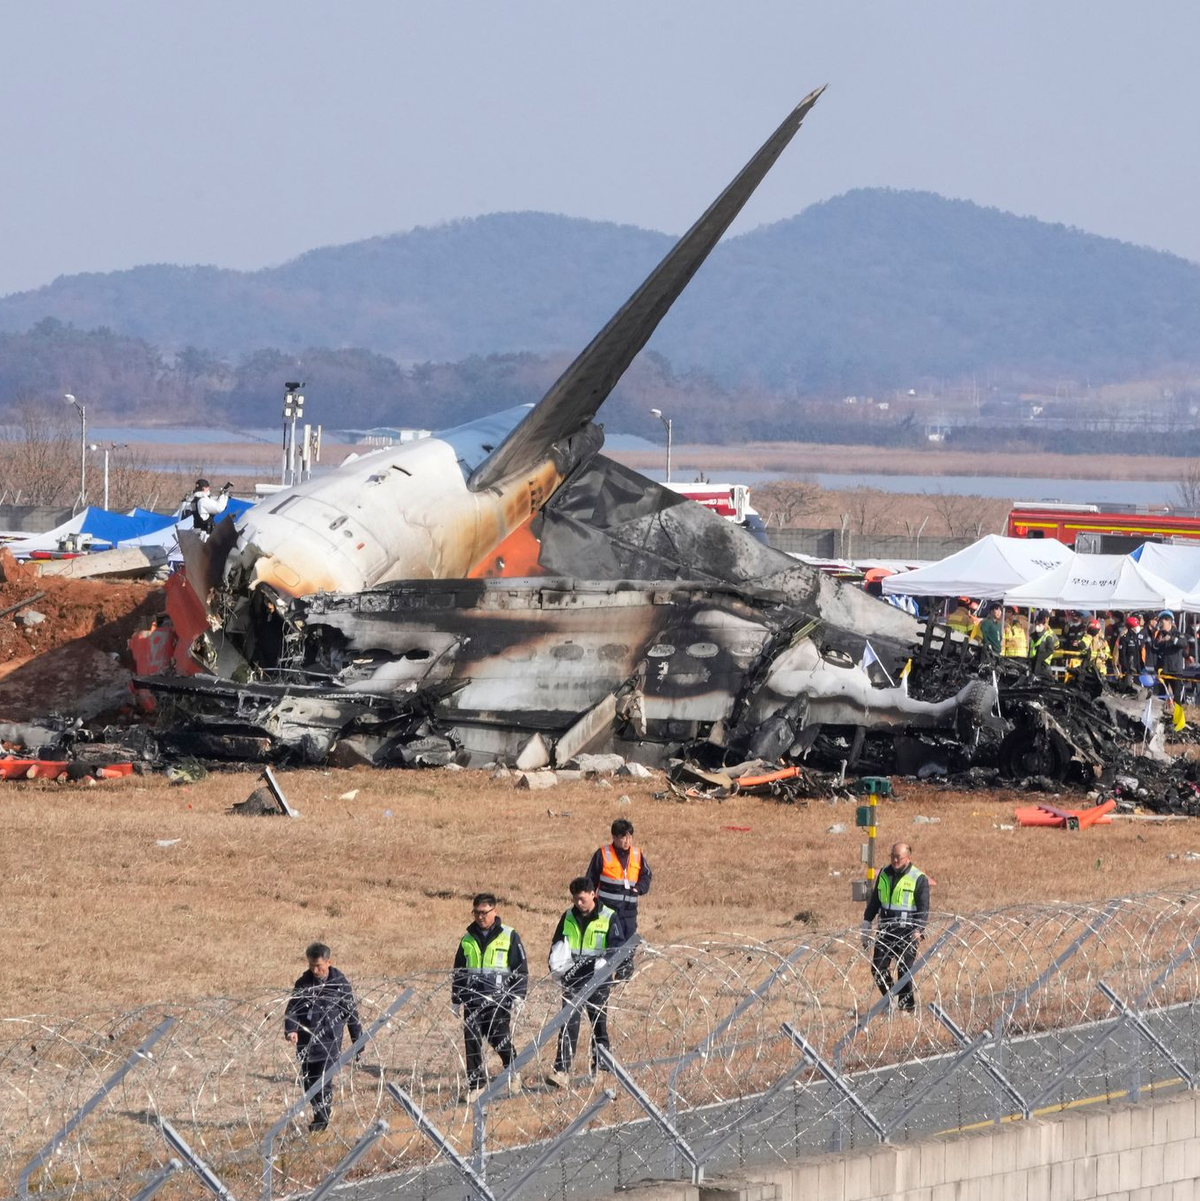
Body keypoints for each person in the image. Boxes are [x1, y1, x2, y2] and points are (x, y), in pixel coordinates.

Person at [546, 878, 625, 1087]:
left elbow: (617, 945)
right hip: (573, 977)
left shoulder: (608, 916)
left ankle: (600, 1067)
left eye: (581, 899)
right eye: (574, 899)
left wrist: (606, 962)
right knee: (568, 1022)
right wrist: (554, 961)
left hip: (599, 977)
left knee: (598, 1022)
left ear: (592, 894)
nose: (578, 903)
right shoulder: (568, 916)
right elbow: (558, 942)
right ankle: (562, 1070)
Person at [451, 893, 528, 1101]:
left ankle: (513, 1070)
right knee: (472, 1041)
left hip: (498, 1000)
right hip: (473, 999)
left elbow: (519, 968)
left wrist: (519, 994)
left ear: (495, 911)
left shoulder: (509, 935)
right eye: (476, 912)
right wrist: (456, 997)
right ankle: (476, 1085)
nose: (480, 917)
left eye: (484, 912)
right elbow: (459, 969)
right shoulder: (468, 938)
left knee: (499, 1038)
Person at [284, 942, 363, 1132]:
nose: (315, 969)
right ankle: (320, 1111)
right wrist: (291, 1030)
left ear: (329, 962)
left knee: (323, 1081)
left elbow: (350, 1013)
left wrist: (358, 1041)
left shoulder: (339, 984)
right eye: (311, 965)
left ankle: (322, 1120)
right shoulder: (303, 984)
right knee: (309, 1082)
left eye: (318, 965)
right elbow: (292, 1011)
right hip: (306, 1042)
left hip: (329, 1042)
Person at [861, 843, 929, 1013]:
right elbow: (876, 900)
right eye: (892, 856)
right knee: (878, 967)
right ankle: (890, 998)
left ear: (908, 857)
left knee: (904, 969)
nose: (895, 860)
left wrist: (919, 929)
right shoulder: (884, 873)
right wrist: (866, 922)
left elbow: (923, 907)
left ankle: (907, 1007)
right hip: (886, 929)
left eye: (898, 857)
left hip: (907, 931)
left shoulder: (918, 878)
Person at [585, 818, 651, 973]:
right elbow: (590, 880)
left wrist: (639, 888)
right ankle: (604, 973)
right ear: (614, 837)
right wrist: (590, 904)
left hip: (629, 910)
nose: (627, 841)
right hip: (608, 910)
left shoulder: (637, 854)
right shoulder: (602, 854)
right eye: (623, 837)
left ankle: (623, 977)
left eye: (629, 837)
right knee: (609, 943)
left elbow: (646, 875)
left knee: (628, 943)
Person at [1153, 611, 1187, 706]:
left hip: (1175, 670)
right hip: (1162, 669)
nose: (1160, 625)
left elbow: (1184, 643)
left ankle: (1178, 719)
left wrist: (1171, 638)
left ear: (1169, 621)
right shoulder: (1160, 634)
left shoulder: (1177, 633)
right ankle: (1161, 716)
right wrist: (1158, 642)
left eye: (1162, 622)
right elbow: (1153, 649)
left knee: (1177, 698)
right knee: (1161, 697)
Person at [1116, 615, 1148, 680]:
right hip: (1128, 670)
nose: (1138, 628)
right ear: (1131, 628)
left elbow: (1138, 654)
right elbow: (1122, 655)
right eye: (1136, 626)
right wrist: (1125, 669)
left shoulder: (1136, 638)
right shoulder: (1124, 639)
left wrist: (1141, 666)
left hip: (1137, 668)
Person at [1028, 611, 1059, 677]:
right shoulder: (1035, 632)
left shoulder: (1048, 633)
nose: (1039, 623)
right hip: (1033, 662)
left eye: (1041, 621)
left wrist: (1048, 630)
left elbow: (1056, 645)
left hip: (1044, 664)